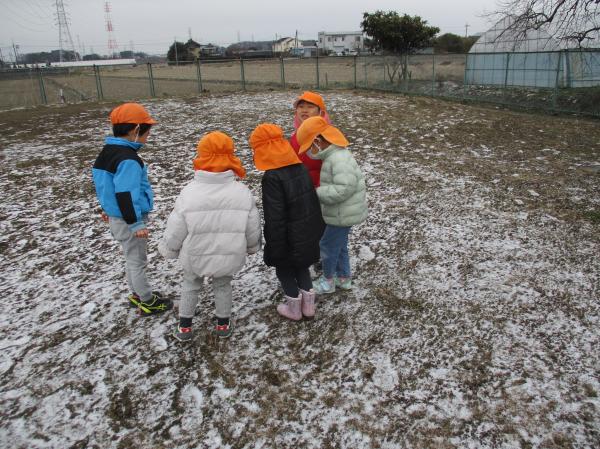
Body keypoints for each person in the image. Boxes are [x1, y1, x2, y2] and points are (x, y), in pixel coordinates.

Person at [159, 131, 261, 342]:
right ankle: (222, 323)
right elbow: (252, 224)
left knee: (190, 285)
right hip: (228, 253)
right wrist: (252, 245)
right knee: (223, 285)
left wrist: (170, 248)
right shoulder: (241, 191)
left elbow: (176, 226)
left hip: (195, 253)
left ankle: (185, 326)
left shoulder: (189, 192)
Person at [92, 102, 172, 315]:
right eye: (147, 132)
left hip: (117, 216)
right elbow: (125, 194)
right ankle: (147, 300)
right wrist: (135, 223)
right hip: (129, 220)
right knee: (138, 261)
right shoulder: (128, 160)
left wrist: (108, 209)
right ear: (136, 130)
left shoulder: (107, 152)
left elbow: (104, 186)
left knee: (131, 258)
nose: (148, 136)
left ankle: (137, 293)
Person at [249, 123, 325, 321]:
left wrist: (276, 245)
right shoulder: (300, 167)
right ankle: (308, 307)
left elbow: (274, 216)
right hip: (306, 232)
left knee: (284, 269)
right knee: (302, 265)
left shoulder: (272, 177)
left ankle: (294, 309)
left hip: (287, 237)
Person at [296, 116, 368, 294]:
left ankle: (327, 281)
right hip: (342, 212)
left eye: (310, 147)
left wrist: (317, 193)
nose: (310, 153)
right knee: (340, 246)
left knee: (327, 245)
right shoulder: (334, 156)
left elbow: (344, 188)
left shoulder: (338, 159)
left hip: (341, 214)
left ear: (318, 141)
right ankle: (344, 278)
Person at [288, 91, 331, 188]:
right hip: (301, 188)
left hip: (322, 189)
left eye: (310, 107)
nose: (304, 110)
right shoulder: (295, 136)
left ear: (320, 112)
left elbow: (332, 168)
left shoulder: (326, 137)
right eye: (301, 107)